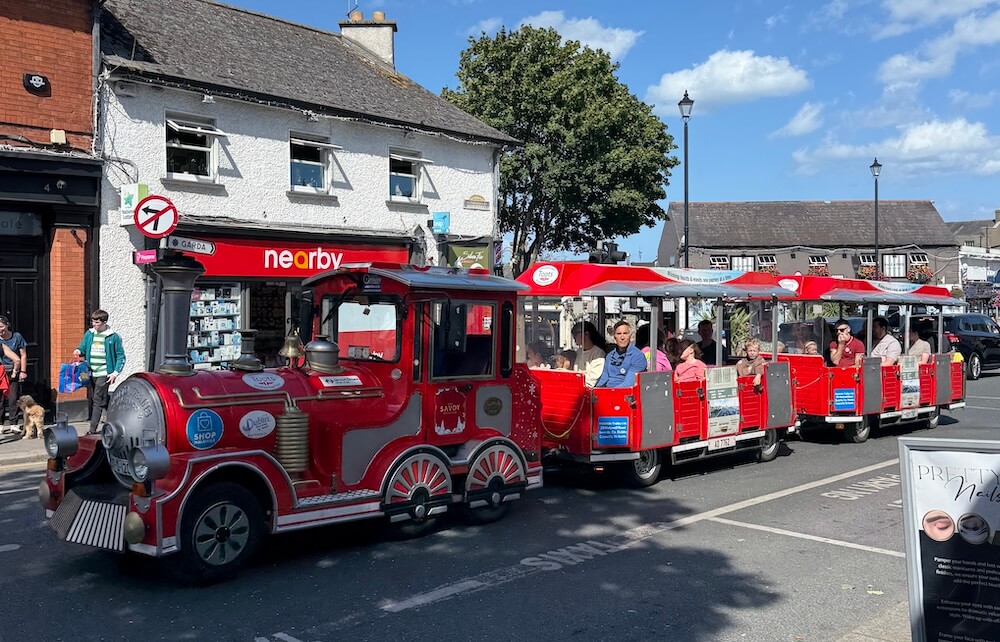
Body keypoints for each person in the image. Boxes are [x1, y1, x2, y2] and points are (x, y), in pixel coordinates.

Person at [74, 309, 126, 434]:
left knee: (97, 400)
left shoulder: (113, 337)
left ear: (104, 322)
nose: (94, 325)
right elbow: (83, 347)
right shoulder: (90, 334)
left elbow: (121, 356)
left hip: (104, 372)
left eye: (97, 322)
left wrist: (115, 373)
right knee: (100, 398)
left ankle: (92, 429)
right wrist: (78, 351)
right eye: (93, 322)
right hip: (91, 371)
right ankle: (118, 417)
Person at [595, 320, 647, 388]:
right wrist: (594, 390)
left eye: (625, 333)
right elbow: (604, 377)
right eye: (619, 334)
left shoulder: (638, 356)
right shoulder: (610, 355)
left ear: (631, 336)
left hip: (626, 394)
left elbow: (628, 383)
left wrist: (609, 393)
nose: (622, 337)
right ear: (614, 337)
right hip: (608, 391)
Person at [0, 315, 27, 428]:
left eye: (1, 326)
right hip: (1, 371)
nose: (0, 329)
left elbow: (22, 355)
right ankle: (0, 424)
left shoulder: (17, 337)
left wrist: (22, 371)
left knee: (13, 397)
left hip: (13, 370)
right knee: (0, 399)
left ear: (7, 325)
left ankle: (13, 423)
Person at [571, 321, 607, 387]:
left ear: (586, 334)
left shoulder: (598, 353)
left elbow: (592, 380)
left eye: (576, 333)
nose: (574, 336)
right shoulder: (578, 352)